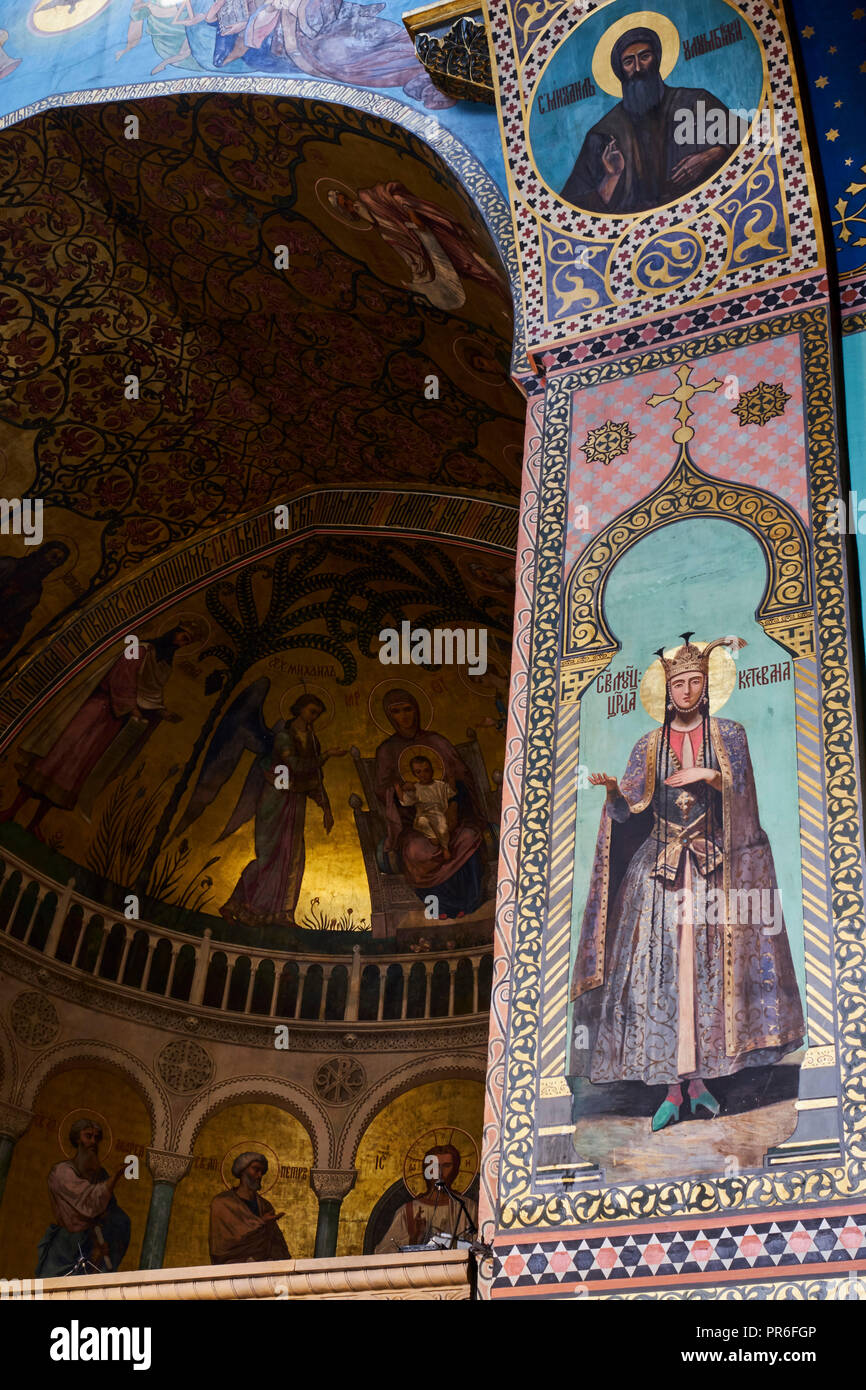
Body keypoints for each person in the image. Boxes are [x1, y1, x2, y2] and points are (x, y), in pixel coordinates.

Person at [570, 633, 804, 1132]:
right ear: (667, 688)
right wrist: (613, 791)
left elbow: (743, 794)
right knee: (660, 975)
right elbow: (629, 812)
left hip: (712, 869)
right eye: (678, 682)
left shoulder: (730, 735)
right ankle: (674, 1088)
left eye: (696, 681)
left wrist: (710, 774)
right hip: (658, 874)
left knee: (705, 976)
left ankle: (702, 1081)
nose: (687, 690)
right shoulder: (647, 744)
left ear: (706, 686)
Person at [1, 620, 200, 837]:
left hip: (112, 724)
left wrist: (161, 712)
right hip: (97, 709)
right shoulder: (138, 648)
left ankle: (35, 823)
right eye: (183, 637)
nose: (183, 643)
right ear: (174, 631)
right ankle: (12, 810)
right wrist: (131, 708)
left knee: (74, 773)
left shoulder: (164, 667)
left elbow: (150, 696)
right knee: (56, 757)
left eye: (188, 642)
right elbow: (121, 677)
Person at [560, 26, 735, 214]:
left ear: (657, 59)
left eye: (644, 57)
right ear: (620, 70)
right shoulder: (603, 134)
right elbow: (570, 212)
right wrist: (612, 176)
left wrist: (713, 154)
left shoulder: (694, 102)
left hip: (704, 212)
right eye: (628, 62)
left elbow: (751, 137)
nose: (637, 68)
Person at [219, 694, 346, 924]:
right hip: (275, 799)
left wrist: (326, 807)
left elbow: (314, 777)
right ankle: (242, 904)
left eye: (317, 714)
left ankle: (279, 913)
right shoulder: (284, 737)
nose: (313, 717)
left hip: (296, 803)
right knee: (269, 856)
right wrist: (326, 756)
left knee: (292, 858)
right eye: (311, 711)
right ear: (299, 710)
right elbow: (295, 766)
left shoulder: (313, 740)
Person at [373, 689, 486, 920]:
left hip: (451, 813)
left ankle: (470, 901)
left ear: (417, 709)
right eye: (396, 711)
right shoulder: (387, 750)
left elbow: (463, 777)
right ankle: (441, 906)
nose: (403, 716)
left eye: (408, 709)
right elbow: (381, 790)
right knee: (416, 850)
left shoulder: (437, 742)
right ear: (388, 716)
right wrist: (396, 787)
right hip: (412, 824)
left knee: (469, 835)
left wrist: (453, 799)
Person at [36, 1119, 130, 1277]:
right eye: (88, 1136)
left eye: (97, 1138)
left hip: (92, 1245)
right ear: (77, 1139)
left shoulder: (101, 1175)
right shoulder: (61, 1172)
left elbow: (111, 1211)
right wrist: (114, 1179)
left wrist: (105, 1237)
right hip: (65, 1247)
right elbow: (88, 1202)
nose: (94, 1142)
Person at [375, 1145, 477, 1252]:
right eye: (434, 1166)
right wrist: (414, 1238)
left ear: (455, 1170)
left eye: (447, 1166)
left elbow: (479, 1246)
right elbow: (382, 1251)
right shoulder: (407, 1211)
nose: (440, 1172)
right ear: (426, 1171)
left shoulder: (467, 1207)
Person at [209, 1152, 290, 1263]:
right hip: (232, 1266)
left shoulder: (265, 1205)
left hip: (264, 1266)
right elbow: (223, 1244)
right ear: (242, 1170)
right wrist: (261, 1222)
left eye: (262, 1172)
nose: (259, 1175)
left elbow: (275, 1241)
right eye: (256, 1169)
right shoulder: (222, 1202)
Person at [0, 542, 69, 662]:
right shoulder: (9, 565)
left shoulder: (35, 593)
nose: (51, 563)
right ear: (42, 552)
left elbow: (16, 620)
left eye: (57, 562)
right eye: (52, 556)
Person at [397, 755, 456, 860]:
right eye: (418, 772)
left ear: (432, 771)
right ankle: (438, 842)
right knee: (422, 822)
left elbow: (451, 792)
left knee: (442, 827)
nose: (423, 775)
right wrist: (399, 788)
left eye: (426, 770)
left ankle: (444, 846)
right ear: (414, 774)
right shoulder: (415, 788)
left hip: (439, 815)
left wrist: (451, 778)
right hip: (423, 816)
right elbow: (405, 802)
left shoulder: (440, 785)